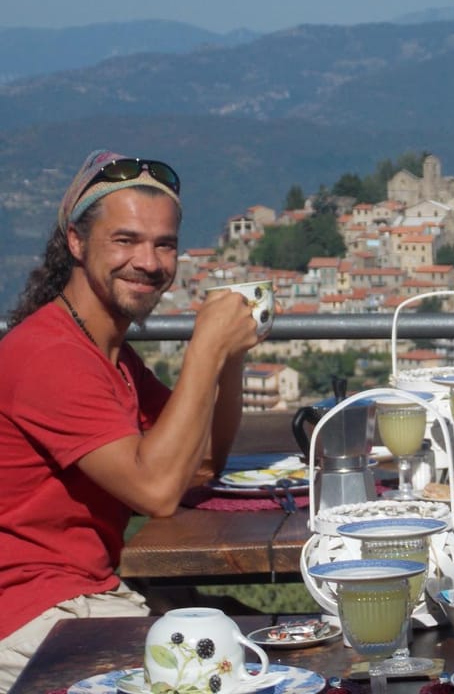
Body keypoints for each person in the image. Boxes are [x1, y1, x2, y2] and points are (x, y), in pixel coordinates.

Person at [0, 150, 264, 692]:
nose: (148, 261)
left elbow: (200, 464)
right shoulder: (48, 354)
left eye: (163, 244)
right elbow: (158, 491)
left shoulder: (110, 356)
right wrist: (204, 349)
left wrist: (230, 356)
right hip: (33, 617)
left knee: (271, 640)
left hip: (86, 595)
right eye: (125, 241)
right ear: (75, 242)